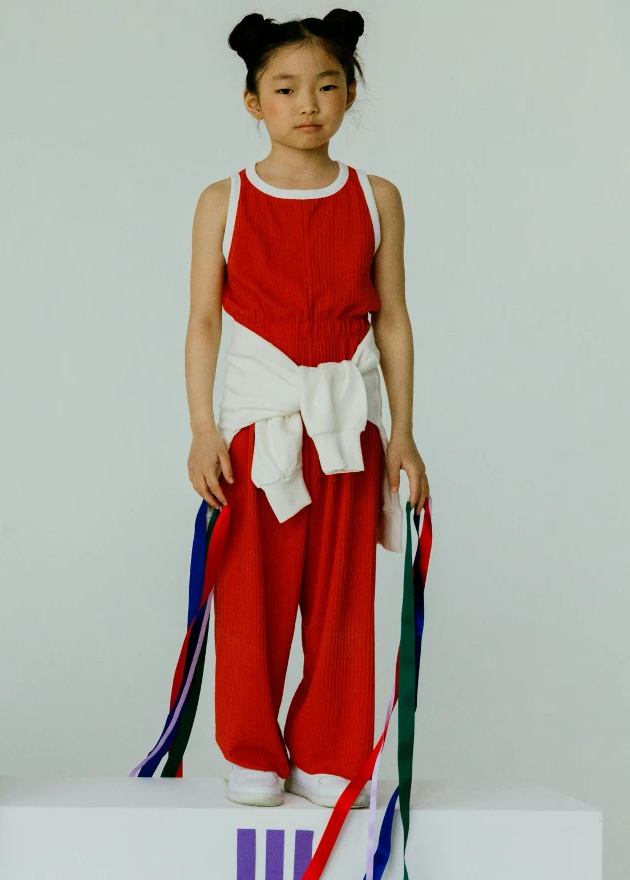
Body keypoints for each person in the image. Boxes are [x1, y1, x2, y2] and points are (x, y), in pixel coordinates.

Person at [182, 9, 429, 809]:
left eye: (327, 86)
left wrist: (405, 436)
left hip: (349, 430)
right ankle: (251, 752)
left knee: (343, 596)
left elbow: (391, 318)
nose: (308, 104)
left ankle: (329, 753)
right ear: (253, 101)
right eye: (285, 89)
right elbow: (204, 322)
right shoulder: (224, 199)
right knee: (251, 592)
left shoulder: (376, 196)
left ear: (351, 93)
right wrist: (203, 430)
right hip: (259, 429)